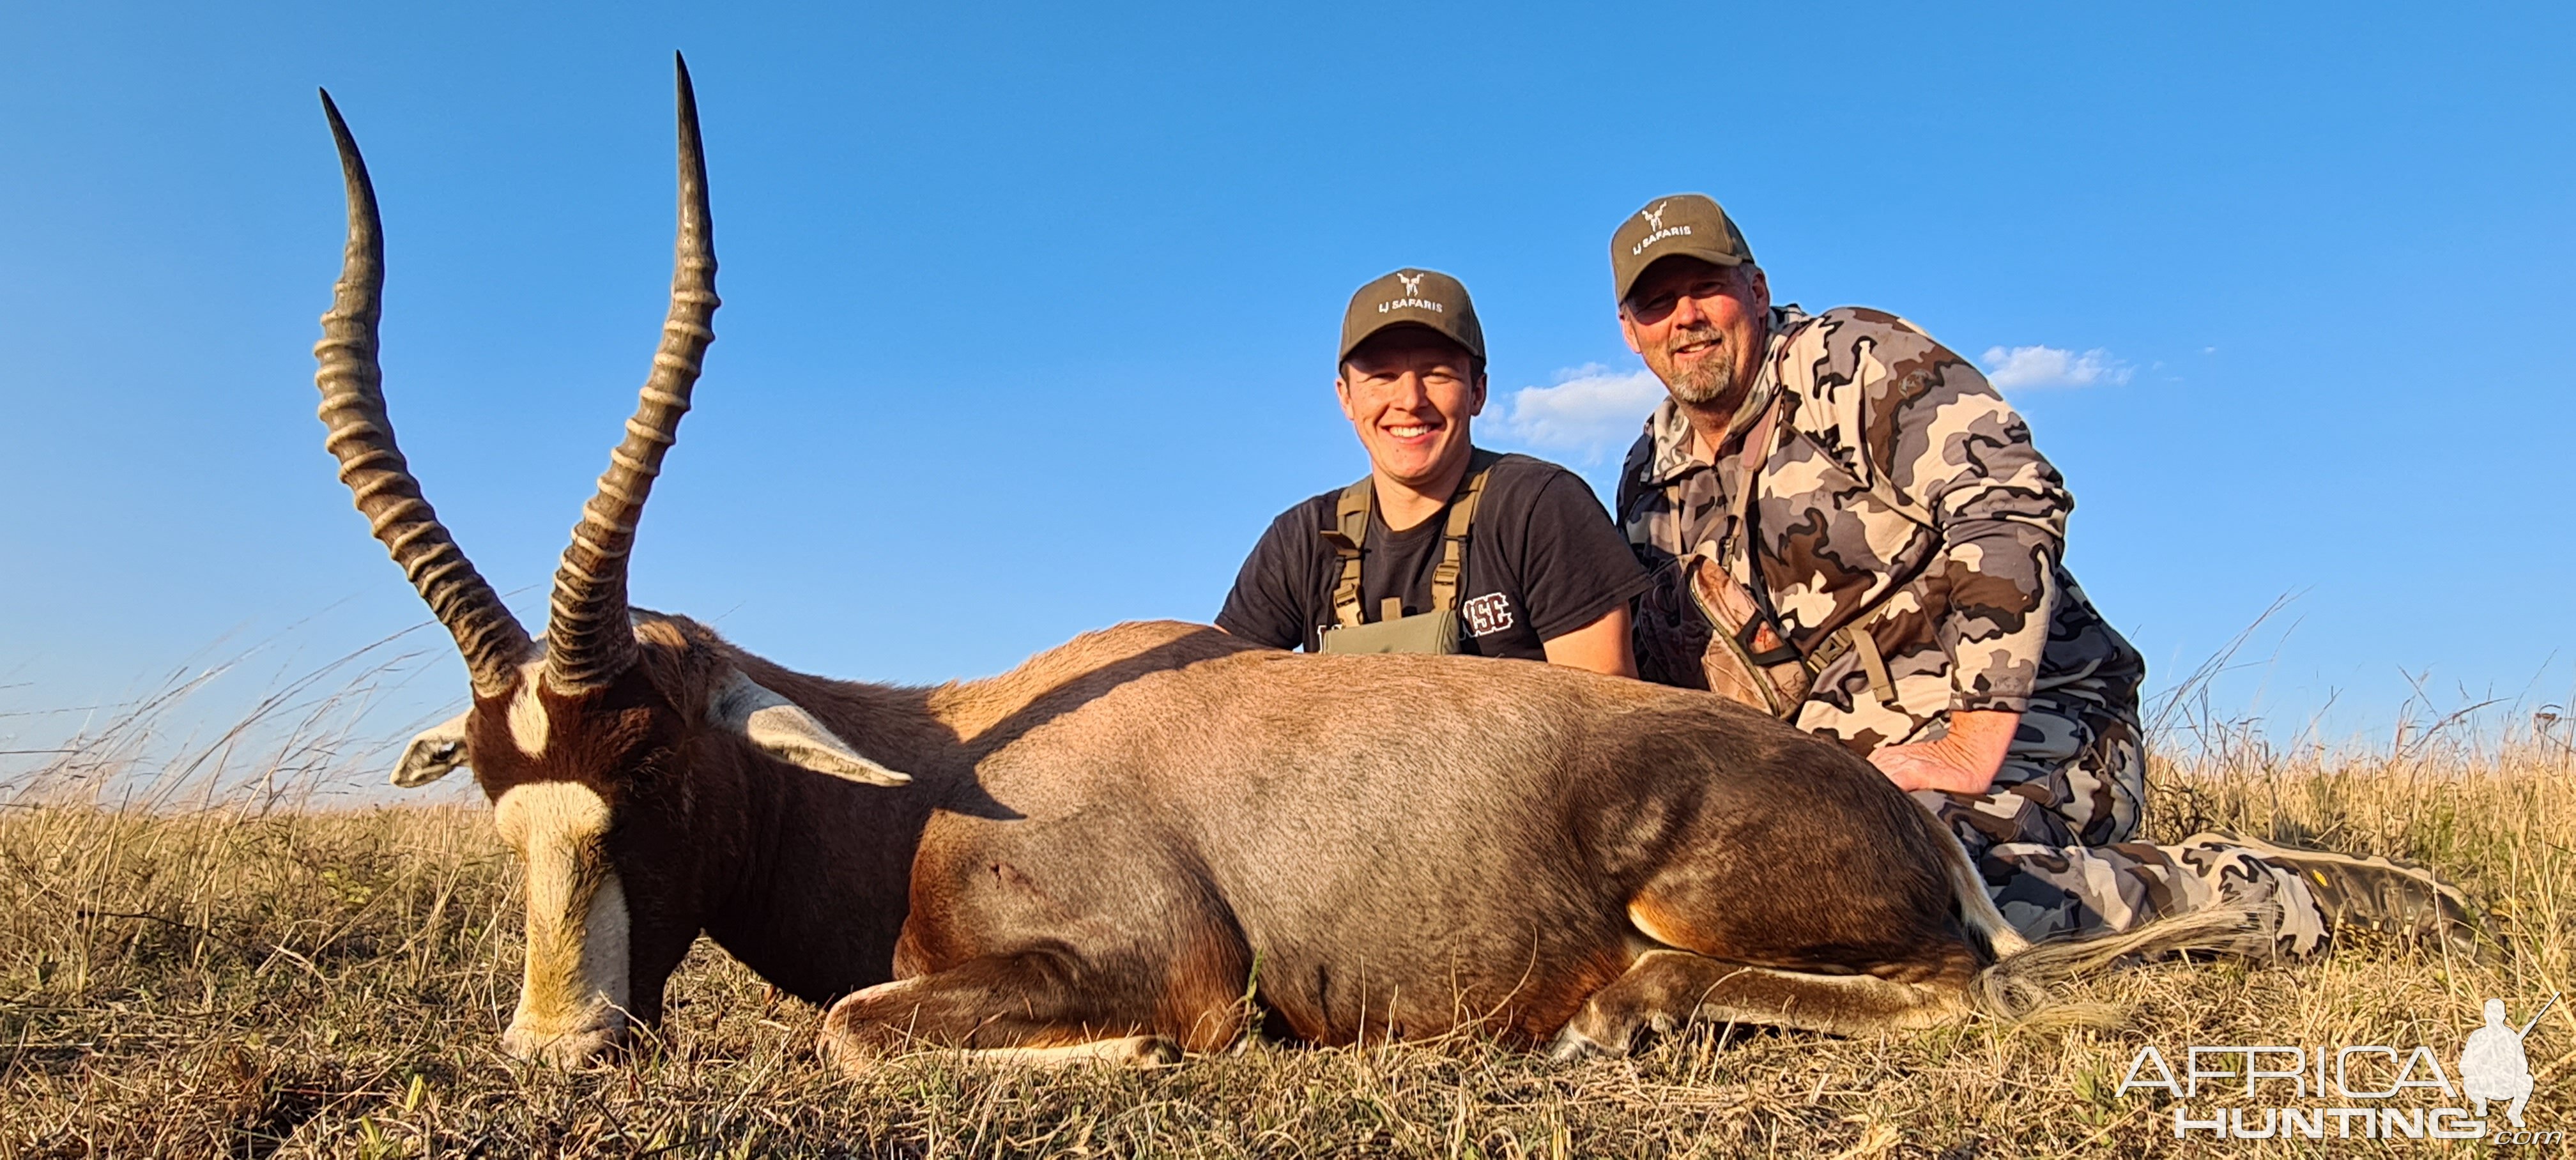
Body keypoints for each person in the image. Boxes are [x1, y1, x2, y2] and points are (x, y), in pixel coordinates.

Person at [1606, 193, 2476, 952]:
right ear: (1629, 331)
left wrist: (1969, 742)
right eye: (1657, 303)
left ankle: (2249, 893)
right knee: (1744, 896)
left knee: (1892, 898)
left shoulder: (1851, 361)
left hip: (2035, 723)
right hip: (1839, 759)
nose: (1685, 318)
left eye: (1705, 288)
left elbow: (2007, 504)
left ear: (1755, 289)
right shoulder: (1649, 475)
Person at [1219, 268, 1648, 673]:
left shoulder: (1542, 506)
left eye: (1437, 374)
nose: (1410, 399)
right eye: (1382, 376)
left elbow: (1606, 715)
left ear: (1478, 392)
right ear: (1345, 398)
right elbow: (1215, 687)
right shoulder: (1300, 541)